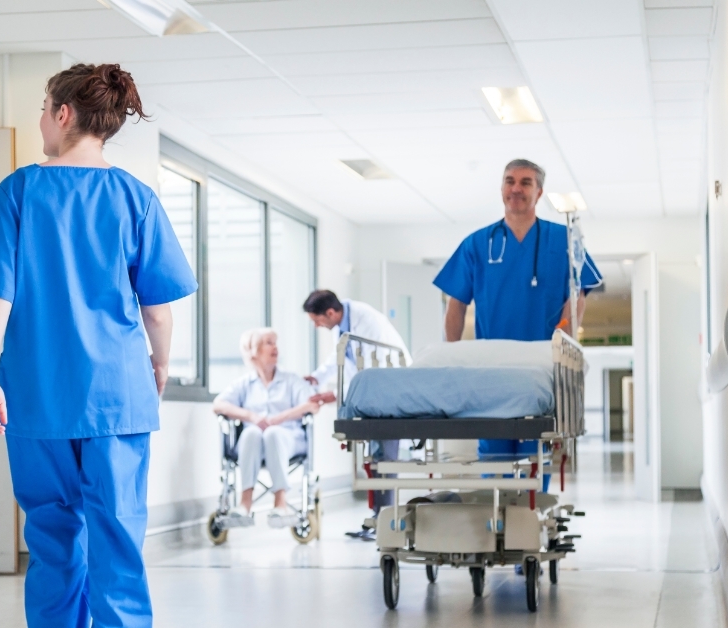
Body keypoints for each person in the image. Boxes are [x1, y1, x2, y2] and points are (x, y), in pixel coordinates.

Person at [0, 63, 196, 628]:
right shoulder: (135, 197)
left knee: (51, 538)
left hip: (37, 398)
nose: (41, 120)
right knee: (116, 541)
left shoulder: (19, 190)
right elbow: (157, 310)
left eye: (44, 108)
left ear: (63, 114)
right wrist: (158, 364)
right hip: (117, 398)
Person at [433, 158, 602, 487]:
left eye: (526, 183)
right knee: (494, 459)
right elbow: (456, 305)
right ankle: (496, 526)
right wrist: (450, 357)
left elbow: (579, 293)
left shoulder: (564, 239)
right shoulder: (478, 243)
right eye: (510, 181)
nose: (516, 188)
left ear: (539, 192)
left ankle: (531, 523)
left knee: (535, 455)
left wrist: (563, 334)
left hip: (540, 366)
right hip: (492, 369)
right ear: (501, 190)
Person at [301, 290, 410, 540]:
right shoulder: (342, 325)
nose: (318, 326)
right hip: (372, 400)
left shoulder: (367, 322)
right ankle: (376, 518)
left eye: (317, 321)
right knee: (374, 461)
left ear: (330, 313)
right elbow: (340, 358)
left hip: (389, 395)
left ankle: (387, 521)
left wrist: (337, 396)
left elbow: (372, 371)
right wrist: (318, 377)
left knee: (385, 460)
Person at [212, 328, 322, 528]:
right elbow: (218, 405)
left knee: (272, 432)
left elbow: (312, 404)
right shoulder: (245, 384)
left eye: (275, 342)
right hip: (251, 444)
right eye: (268, 342)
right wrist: (251, 416)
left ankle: (280, 502)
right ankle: (245, 503)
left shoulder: (291, 381)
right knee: (252, 432)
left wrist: (278, 418)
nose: (275, 347)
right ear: (253, 351)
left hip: (288, 439)